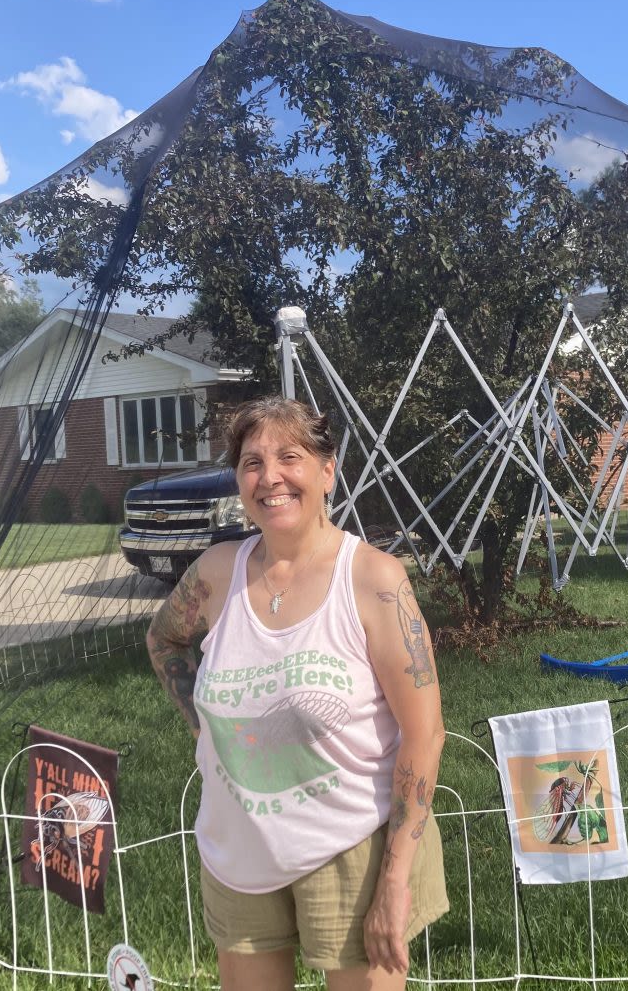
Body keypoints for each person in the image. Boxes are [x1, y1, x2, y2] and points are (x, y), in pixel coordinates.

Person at [146, 397, 449, 991]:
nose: (270, 477)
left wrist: (395, 881)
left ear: (327, 469)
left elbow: (424, 733)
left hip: (352, 851)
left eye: (290, 456)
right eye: (252, 462)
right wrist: (203, 729)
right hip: (239, 850)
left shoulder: (373, 581)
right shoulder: (215, 573)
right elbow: (164, 642)